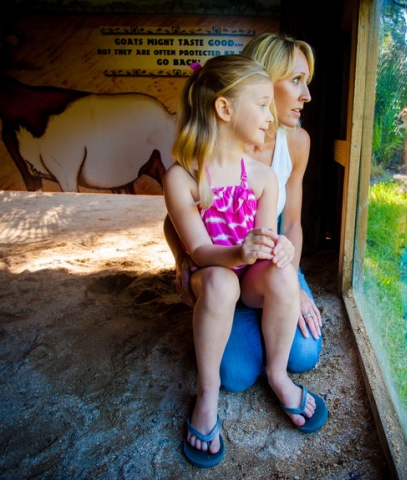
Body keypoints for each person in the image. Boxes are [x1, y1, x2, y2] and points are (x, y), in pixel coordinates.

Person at [163, 54, 328, 468]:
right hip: (213, 276)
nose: (270, 118)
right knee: (221, 283)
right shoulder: (183, 179)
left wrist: (281, 252)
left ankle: (277, 374)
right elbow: (199, 252)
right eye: (261, 104)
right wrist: (239, 252)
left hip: (250, 280)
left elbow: (271, 240)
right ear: (224, 108)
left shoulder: (262, 178)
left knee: (280, 271)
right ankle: (207, 395)